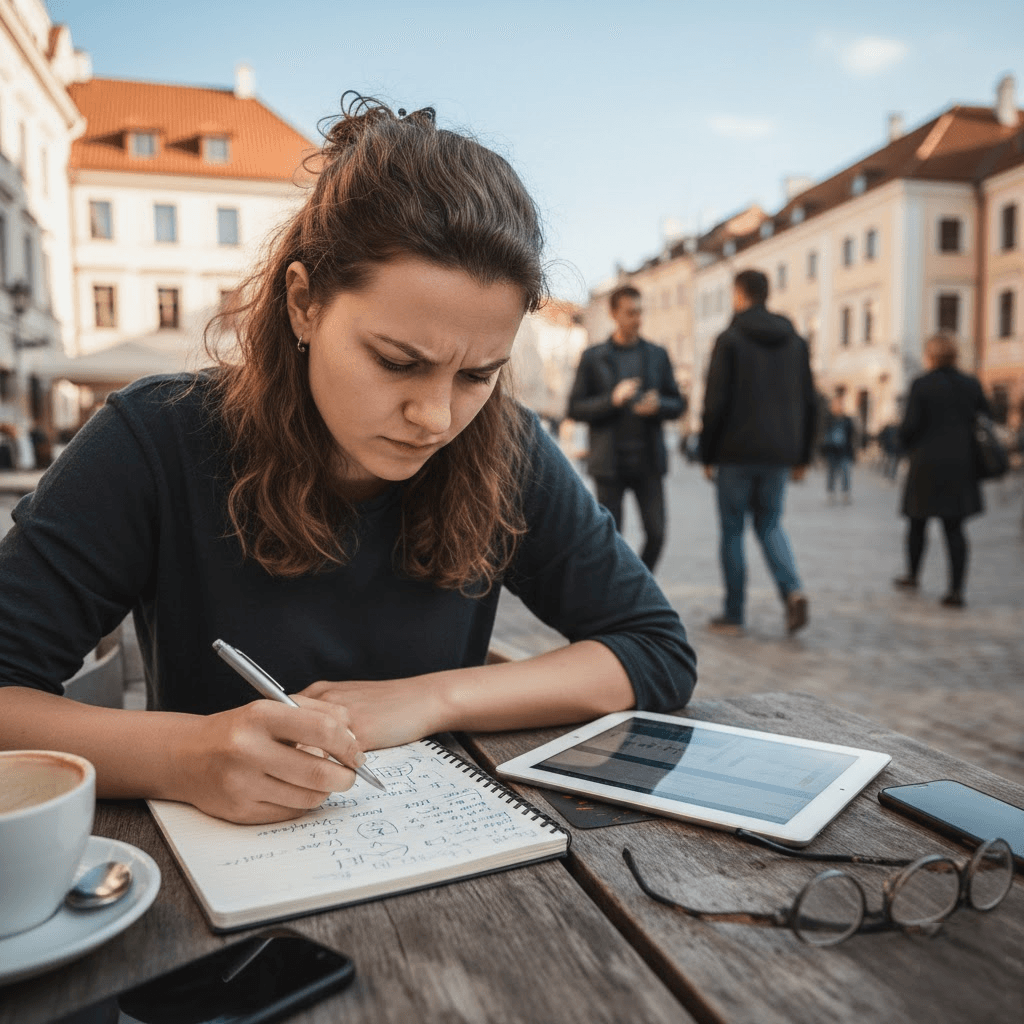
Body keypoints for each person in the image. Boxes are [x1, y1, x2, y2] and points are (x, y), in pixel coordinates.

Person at [0, 96, 696, 826]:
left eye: (476, 375)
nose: (435, 418)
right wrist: (188, 753)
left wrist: (434, 696)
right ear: (303, 303)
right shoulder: (156, 438)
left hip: (443, 854)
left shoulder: (506, 445)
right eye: (398, 362)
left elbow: (655, 650)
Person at [700, 269, 816, 636]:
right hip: (779, 452)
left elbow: (714, 401)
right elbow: (811, 401)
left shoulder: (730, 338)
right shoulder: (795, 341)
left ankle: (734, 613)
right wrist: (803, 455)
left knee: (733, 531)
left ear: (739, 294)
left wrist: (706, 452)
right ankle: (792, 590)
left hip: (735, 452)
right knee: (770, 525)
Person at [566, 285, 686, 572]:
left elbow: (678, 404)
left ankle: (639, 587)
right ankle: (618, 597)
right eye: (631, 312)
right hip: (609, 465)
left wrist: (659, 405)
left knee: (657, 534)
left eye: (640, 311)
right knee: (611, 539)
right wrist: (613, 399)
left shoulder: (657, 354)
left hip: (648, 462)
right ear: (614, 314)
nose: (637, 318)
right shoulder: (593, 356)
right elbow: (574, 408)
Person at [893, 333, 991, 608]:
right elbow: (985, 416)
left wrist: (904, 443)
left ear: (930, 356)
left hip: (926, 463)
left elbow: (909, 427)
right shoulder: (971, 384)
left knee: (917, 523)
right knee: (954, 529)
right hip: (961, 464)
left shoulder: (922, 385)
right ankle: (956, 590)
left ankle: (913, 575)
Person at [819, 395, 856, 504]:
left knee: (845, 473)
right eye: (835, 404)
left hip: (844, 451)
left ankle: (846, 494)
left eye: (840, 404)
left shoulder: (848, 420)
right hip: (831, 451)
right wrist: (822, 452)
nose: (838, 407)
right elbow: (823, 435)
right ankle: (831, 494)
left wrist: (853, 452)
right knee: (831, 474)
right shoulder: (828, 419)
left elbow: (852, 436)